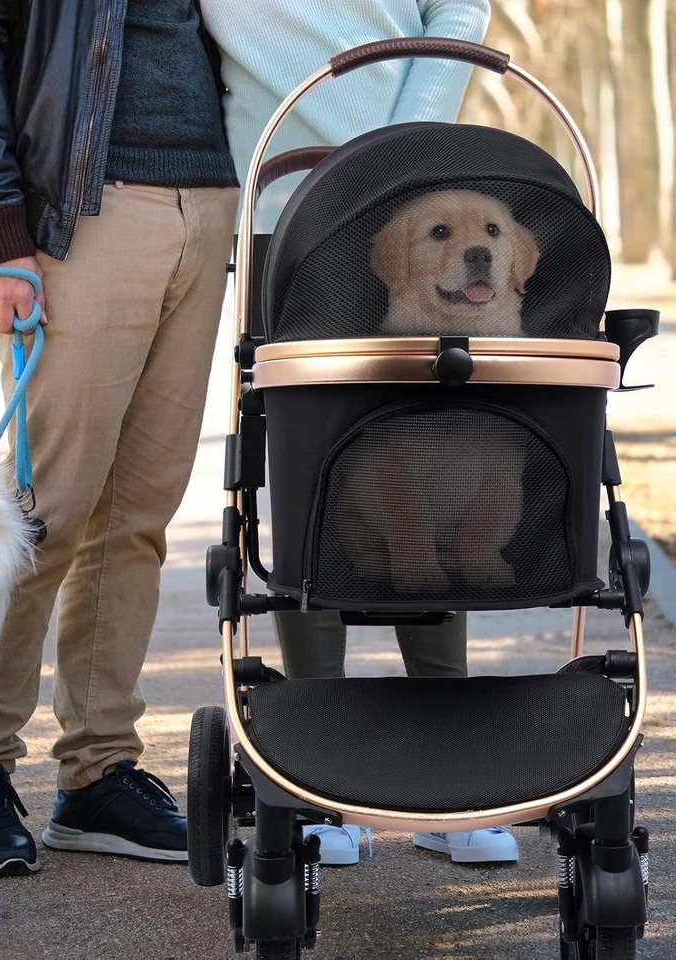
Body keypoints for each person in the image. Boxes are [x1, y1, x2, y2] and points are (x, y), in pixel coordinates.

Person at [0, 0, 239, 875]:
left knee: (138, 514)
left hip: (211, 202)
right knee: (38, 513)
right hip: (84, 207)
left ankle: (98, 771)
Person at [200, 0, 519, 867]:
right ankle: (317, 772)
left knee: (436, 433)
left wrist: (398, 145)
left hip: (411, 194)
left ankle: (451, 778)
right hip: (283, 205)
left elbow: (459, 6)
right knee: (310, 452)